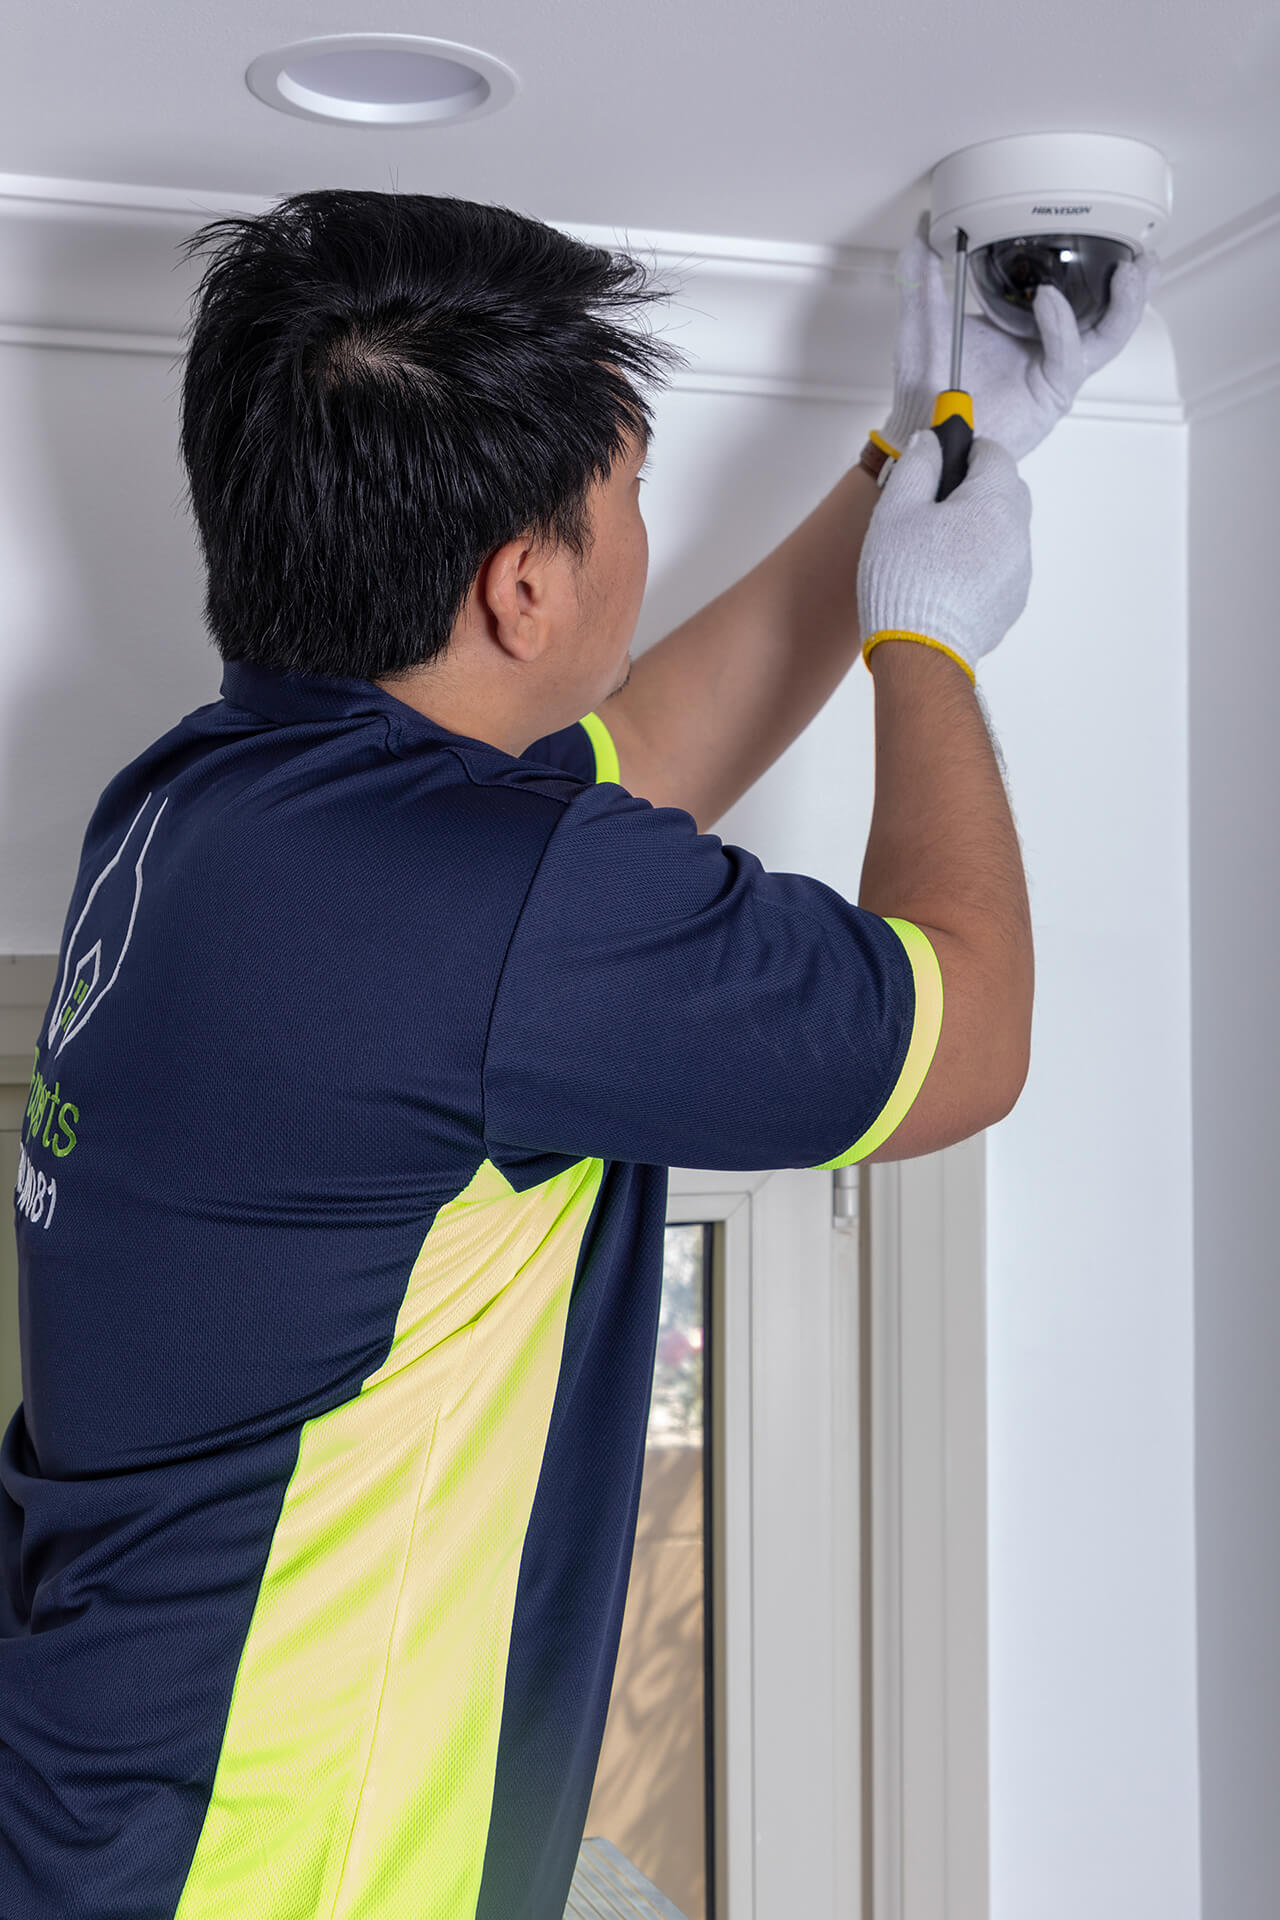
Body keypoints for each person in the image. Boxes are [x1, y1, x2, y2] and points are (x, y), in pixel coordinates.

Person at [1, 191, 1157, 1919]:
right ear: (523, 587)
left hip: (97, 1805)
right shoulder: (494, 904)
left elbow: (631, 760)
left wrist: (905, 464)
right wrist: (928, 645)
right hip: (267, 1874)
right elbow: (968, 1033)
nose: (639, 532)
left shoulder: (201, 800)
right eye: (629, 496)